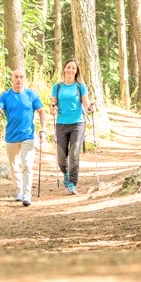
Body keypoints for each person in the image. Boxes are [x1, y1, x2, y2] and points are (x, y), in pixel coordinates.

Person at [0, 68, 47, 207]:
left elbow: (41, 111)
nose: (19, 80)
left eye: (21, 77)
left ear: (25, 79)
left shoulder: (31, 95)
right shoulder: (6, 95)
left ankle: (27, 195)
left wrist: (43, 129)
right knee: (14, 166)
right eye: (16, 77)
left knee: (27, 164)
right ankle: (19, 190)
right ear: (12, 79)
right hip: (11, 136)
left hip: (28, 135)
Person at [49, 58, 92, 195]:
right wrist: (53, 108)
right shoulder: (58, 87)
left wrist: (90, 107)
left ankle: (72, 183)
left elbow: (86, 102)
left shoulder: (80, 86)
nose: (71, 70)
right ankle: (66, 174)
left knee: (74, 154)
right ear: (64, 69)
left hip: (77, 123)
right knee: (61, 157)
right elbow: (53, 103)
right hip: (61, 123)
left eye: (73, 68)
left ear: (76, 70)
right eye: (68, 67)